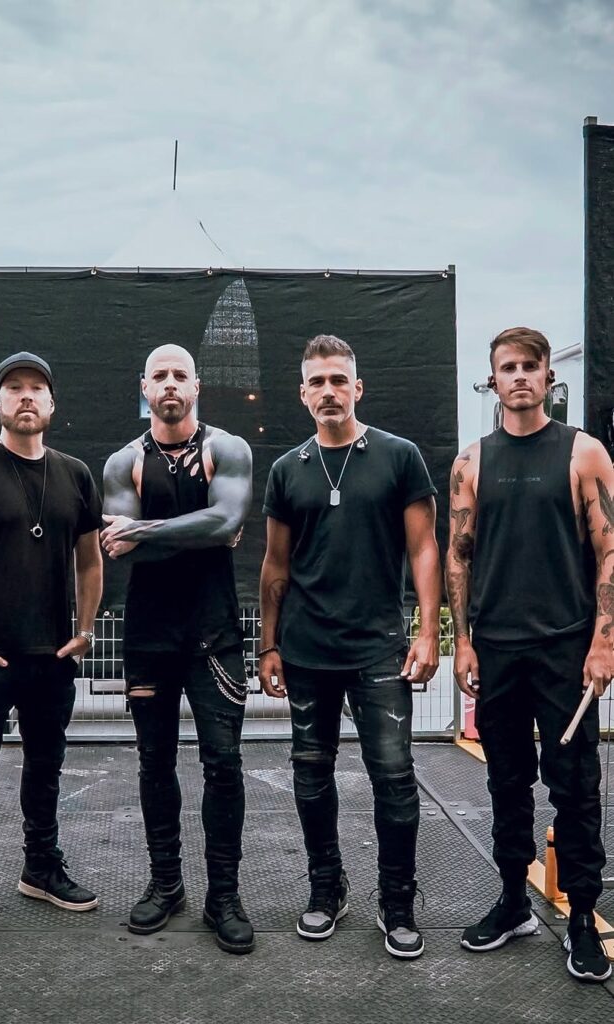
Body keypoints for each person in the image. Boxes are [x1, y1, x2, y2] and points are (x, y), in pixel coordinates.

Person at [259, 334, 440, 959]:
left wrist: (427, 631)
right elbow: (275, 564)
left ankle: (398, 903)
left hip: (378, 649)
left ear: (357, 388)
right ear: (303, 394)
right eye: (318, 381)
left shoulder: (399, 457)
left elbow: (424, 548)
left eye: (339, 379)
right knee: (311, 775)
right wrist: (268, 645)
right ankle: (326, 888)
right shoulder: (288, 469)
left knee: (394, 776)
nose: (329, 390)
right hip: (307, 651)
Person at [446, 326, 614, 983]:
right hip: (496, 648)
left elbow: (609, 549)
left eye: (529, 366)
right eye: (507, 367)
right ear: (493, 379)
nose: (518, 376)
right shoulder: (470, 463)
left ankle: (582, 919)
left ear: (548, 377)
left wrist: (603, 642)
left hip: (565, 648)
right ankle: (513, 900)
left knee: (575, 786)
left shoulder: (583, 453)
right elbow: (458, 557)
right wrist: (462, 641)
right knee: (506, 781)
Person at [0, 352, 103, 942]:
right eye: (14, 388)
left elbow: (90, 560)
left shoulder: (75, 474)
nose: (25, 396)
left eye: (36, 388)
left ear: (52, 404)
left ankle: (41, 867)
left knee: (46, 767)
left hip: (51, 655)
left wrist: (84, 632)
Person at [101, 344, 254, 954]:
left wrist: (147, 530)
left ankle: (224, 896)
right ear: (144, 387)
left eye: (179, 375)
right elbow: (119, 545)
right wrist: (200, 529)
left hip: (213, 633)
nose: (169, 384)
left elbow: (226, 522)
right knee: (154, 762)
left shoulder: (228, 449)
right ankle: (166, 885)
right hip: (150, 635)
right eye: (159, 376)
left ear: (197, 386)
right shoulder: (124, 462)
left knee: (224, 763)